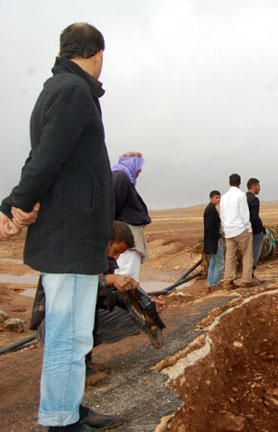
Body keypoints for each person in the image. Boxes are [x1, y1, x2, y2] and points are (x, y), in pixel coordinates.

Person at [0, 23, 125, 431]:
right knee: (69, 336)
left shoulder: (61, 89)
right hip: (71, 237)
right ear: (98, 54)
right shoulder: (73, 91)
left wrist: (19, 202)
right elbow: (47, 157)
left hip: (72, 234)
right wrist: (15, 204)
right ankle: (60, 420)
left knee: (73, 334)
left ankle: (67, 407)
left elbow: (44, 155)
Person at [31, 221, 140, 387]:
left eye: (120, 254)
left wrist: (140, 304)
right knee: (80, 311)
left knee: (131, 317)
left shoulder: (104, 258)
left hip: (80, 314)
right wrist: (109, 280)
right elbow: (71, 286)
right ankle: (72, 368)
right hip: (54, 322)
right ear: (106, 241)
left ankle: (84, 360)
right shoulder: (74, 253)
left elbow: (106, 296)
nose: (116, 257)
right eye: (116, 251)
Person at [112, 151, 151, 281]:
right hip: (125, 234)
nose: (139, 171)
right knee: (126, 272)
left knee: (128, 271)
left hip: (127, 234)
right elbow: (114, 207)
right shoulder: (121, 177)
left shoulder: (122, 177)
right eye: (138, 167)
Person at [221, 174, 258, 287]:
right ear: (240, 183)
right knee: (247, 254)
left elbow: (222, 215)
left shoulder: (224, 197)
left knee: (230, 256)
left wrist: (225, 227)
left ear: (229, 183)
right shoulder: (241, 195)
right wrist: (249, 228)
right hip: (240, 229)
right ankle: (246, 280)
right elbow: (244, 214)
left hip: (229, 230)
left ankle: (228, 280)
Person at [203, 190, 224, 289]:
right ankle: (215, 283)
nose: (218, 199)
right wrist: (217, 237)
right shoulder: (210, 210)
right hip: (215, 241)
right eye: (216, 197)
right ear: (211, 198)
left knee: (213, 262)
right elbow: (210, 226)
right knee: (219, 262)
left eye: (219, 197)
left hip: (212, 241)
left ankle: (210, 283)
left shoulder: (211, 209)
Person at [246, 178, 265, 274]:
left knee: (247, 254)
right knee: (255, 253)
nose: (260, 188)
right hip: (255, 231)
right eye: (258, 186)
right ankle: (251, 274)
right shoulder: (254, 199)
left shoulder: (244, 197)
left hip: (245, 230)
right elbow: (254, 217)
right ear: (253, 186)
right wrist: (261, 229)